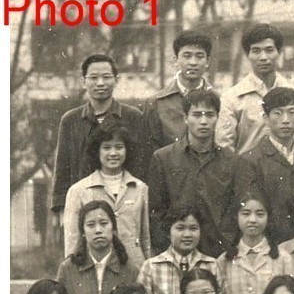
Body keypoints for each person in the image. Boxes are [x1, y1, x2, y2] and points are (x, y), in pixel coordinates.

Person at [146, 89, 248, 256]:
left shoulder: (232, 162)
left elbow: (235, 209)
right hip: (175, 252)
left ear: (218, 118)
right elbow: (155, 212)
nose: (203, 121)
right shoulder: (163, 158)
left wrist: (227, 244)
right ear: (185, 118)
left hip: (218, 253)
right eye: (197, 115)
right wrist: (168, 248)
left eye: (210, 115)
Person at [50, 54, 147, 213]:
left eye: (106, 77)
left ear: (116, 80)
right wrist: (62, 210)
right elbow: (62, 170)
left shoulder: (134, 117)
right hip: (82, 204)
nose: (100, 83)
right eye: (93, 77)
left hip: (123, 205)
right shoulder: (70, 120)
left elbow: (141, 165)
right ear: (84, 81)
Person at [63, 120, 150, 268]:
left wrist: (148, 270)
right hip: (95, 267)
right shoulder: (78, 190)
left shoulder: (140, 188)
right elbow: (72, 241)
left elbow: (145, 238)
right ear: (97, 151)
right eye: (106, 148)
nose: (113, 153)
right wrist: (73, 272)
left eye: (119, 147)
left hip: (134, 267)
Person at [57, 200, 141, 294]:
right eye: (91, 225)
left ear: (113, 228)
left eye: (104, 223)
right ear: (83, 232)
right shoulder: (68, 269)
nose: (98, 230)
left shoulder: (129, 269)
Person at [240, 87, 294, 245]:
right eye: (277, 113)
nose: (285, 120)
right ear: (265, 118)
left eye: (291, 112)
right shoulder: (251, 160)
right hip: (270, 245)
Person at [217, 194, 294, 294]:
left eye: (260, 214)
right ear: (236, 217)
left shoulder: (283, 259)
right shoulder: (224, 261)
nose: (252, 220)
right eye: (246, 214)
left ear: (268, 218)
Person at [216, 23, 291, 154]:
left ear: (279, 52)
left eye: (269, 50)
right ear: (247, 55)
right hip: (244, 166)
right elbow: (224, 146)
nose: (263, 57)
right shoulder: (231, 98)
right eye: (256, 51)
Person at [143, 29, 215, 151]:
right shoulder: (156, 103)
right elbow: (150, 151)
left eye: (199, 56)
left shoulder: (220, 100)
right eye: (187, 56)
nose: (193, 62)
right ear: (175, 60)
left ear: (207, 61)